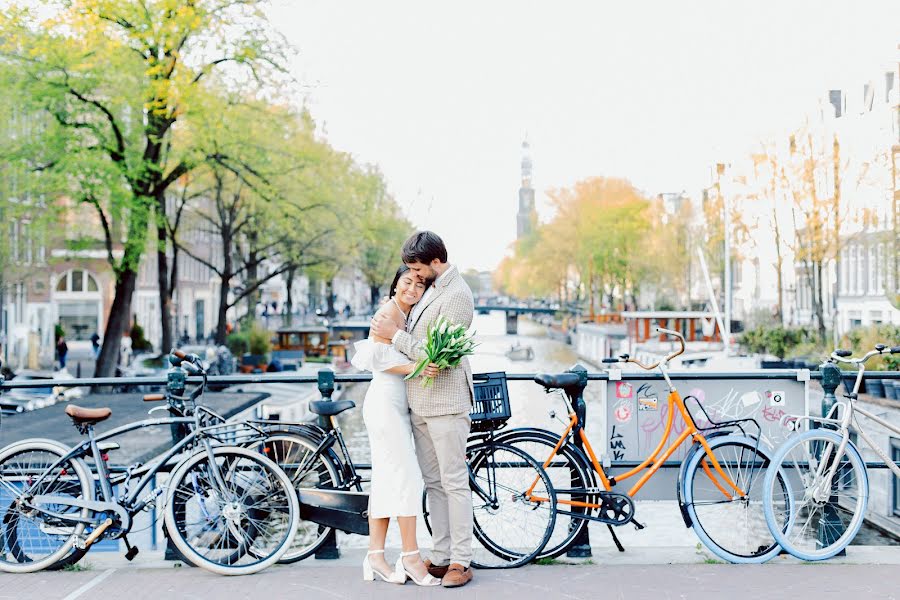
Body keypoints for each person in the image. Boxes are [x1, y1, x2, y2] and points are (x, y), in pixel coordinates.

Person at [370, 231, 475, 588]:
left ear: (435, 263)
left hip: (446, 403)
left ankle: (462, 559)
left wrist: (394, 335)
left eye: (417, 267)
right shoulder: (429, 287)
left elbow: (439, 354)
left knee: (454, 482)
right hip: (419, 402)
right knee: (434, 483)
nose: (412, 274)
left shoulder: (458, 295)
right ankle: (442, 555)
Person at [352, 266, 441, 586]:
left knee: (388, 480)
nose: (412, 289)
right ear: (395, 286)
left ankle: (375, 555)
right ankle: (411, 557)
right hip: (385, 405)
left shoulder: (408, 316)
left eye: (419, 285)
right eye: (407, 282)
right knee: (408, 478)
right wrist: (417, 367)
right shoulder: (388, 312)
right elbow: (375, 358)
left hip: (396, 405)